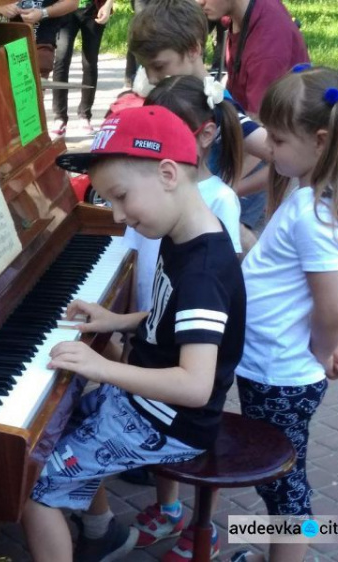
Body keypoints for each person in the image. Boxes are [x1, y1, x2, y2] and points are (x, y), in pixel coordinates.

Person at [20, 105, 247, 562]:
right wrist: (116, 321)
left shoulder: (204, 269)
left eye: (122, 197)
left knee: (32, 488)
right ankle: (100, 528)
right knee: (56, 425)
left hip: (169, 422)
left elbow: (195, 385)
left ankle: (73, 516)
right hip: (149, 408)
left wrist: (103, 367)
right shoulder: (183, 231)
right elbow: (170, 317)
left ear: (167, 174)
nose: (119, 217)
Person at [230, 65, 338, 562]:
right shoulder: (301, 194)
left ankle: (290, 553)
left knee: (285, 487)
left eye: (279, 141)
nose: (268, 149)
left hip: (280, 376)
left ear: (320, 139)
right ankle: (277, 550)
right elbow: (303, 296)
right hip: (272, 369)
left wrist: (323, 351)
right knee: (280, 481)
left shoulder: (313, 215)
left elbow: (335, 305)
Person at [122, 74, 244, 562]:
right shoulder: (156, 198)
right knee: (167, 428)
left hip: (201, 345)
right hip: (162, 327)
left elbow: (213, 291)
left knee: (205, 441)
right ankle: (170, 509)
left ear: (203, 135)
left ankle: (210, 531)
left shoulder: (216, 203)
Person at [129, 0, 270, 251]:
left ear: (194, 49)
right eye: (145, 66)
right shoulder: (170, 95)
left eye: (159, 66)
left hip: (200, 232)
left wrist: (236, 188)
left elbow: (279, 154)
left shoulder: (215, 104)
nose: (151, 77)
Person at [196, 0, 310, 238]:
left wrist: (224, 188)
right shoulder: (235, 15)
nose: (199, 2)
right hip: (253, 130)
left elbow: (257, 129)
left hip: (269, 140)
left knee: (220, 228)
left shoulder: (267, 44)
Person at [50, 0, 115, 136]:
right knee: (61, 59)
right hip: (64, 9)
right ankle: (59, 117)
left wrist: (108, 5)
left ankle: (85, 115)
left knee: (90, 62)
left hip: (93, 8)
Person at [0, 0, 79, 79]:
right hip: (8, 41)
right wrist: (0, 7)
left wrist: (43, 13)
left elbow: (73, 3)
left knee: (34, 86)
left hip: (42, 42)